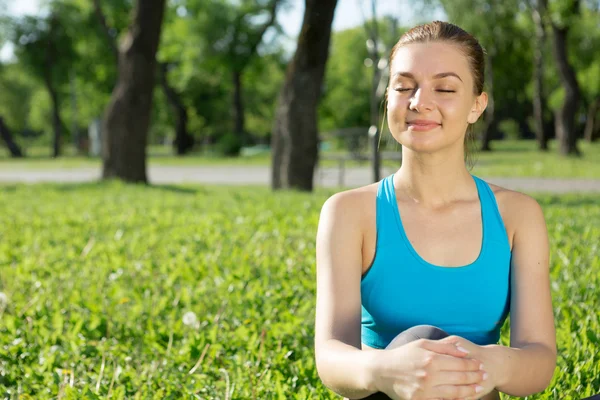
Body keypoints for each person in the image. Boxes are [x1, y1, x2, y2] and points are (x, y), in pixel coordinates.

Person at [314, 21, 556, 400]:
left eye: (444, 88)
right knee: (419, 339)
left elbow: (538, 358)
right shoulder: (348, 213)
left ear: (477, 105)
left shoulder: (518, 216)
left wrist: (487, 363)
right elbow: (330, 356)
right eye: (403, 86)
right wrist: (385, 370)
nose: (419, 102)